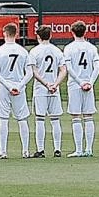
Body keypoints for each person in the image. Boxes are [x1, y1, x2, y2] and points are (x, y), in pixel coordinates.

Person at [0, 23, 33, 159]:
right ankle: (25, 150)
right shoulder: (23, 51)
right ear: (16, 34)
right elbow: (29, 73)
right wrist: (20, 85)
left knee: (3, 119)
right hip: (18, 86)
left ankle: (3, 151)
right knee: (22, 118)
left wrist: (8, 86)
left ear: (4, 33)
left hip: (5, 87)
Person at [62, 21, 99, 158]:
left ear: (72, 32)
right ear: (85, 32)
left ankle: (79, 149)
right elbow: (97, 67)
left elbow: (69, 68)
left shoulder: (68, 48)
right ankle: (88, 149)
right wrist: (90, 82)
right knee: (88, 116)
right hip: (87, 84)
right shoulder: (92, 48)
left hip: (75, 85)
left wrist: (80, 82)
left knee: (76, 116)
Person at [28, 25, 66, 158]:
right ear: (50, 35)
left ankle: (40, 149)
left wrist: (46, 84)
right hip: (54, 90)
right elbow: (63, 70)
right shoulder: (57, 51)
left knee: (40, 119)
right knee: (55, 120)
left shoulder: (34, 51)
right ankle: (57, 149)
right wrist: (55, 84)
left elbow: (34, 71)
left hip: (41, 89)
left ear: (38, 36)